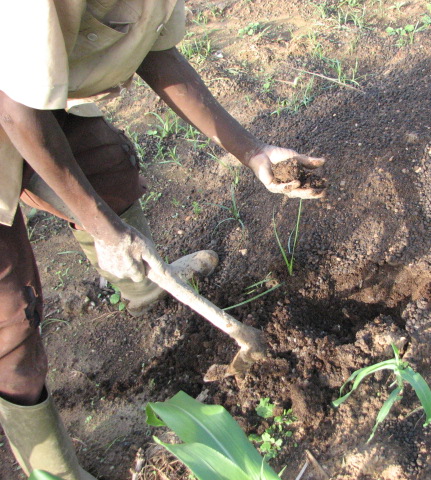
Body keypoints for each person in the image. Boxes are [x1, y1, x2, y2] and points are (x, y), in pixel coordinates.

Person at [0, 2, 326, 478]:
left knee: (109, 168)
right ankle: (55, 471)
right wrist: (105, 230)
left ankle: (148, 287)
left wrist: (254, 152)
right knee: (13, 326)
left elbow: (156, 51)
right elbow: (15, 109)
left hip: (24, 99)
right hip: (14, 104)